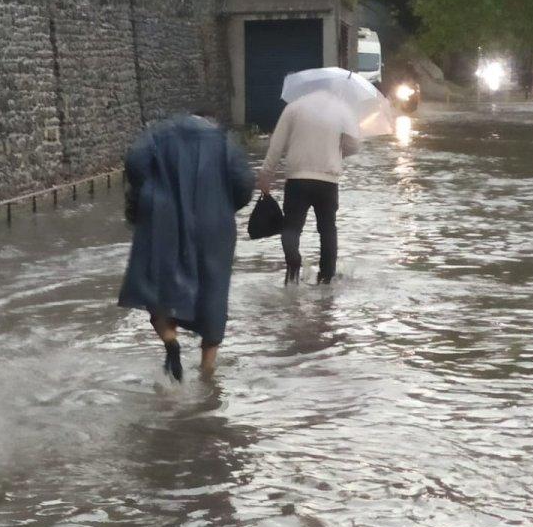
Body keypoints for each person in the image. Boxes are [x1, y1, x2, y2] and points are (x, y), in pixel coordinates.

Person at [117, 111, 255, 382]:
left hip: (163, 220)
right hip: (213, 224)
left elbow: (135, 162)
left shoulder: (158, 133)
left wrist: (151, 194)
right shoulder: (223, 140)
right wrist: (224, 206)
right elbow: (244, 183)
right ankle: (207, 371)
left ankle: (170, 340)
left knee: (157, 285)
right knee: (214, 290)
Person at [257, 90, 360, 285]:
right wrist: (336, 153)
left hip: (297, 179)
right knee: (328, 229)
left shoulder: (293, 108)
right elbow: (355, 145)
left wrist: (266, 175)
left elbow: (276, 146)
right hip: (328, 181)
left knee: (292, 227)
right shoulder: (341, 110)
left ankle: (293, 264)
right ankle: (326, 277)